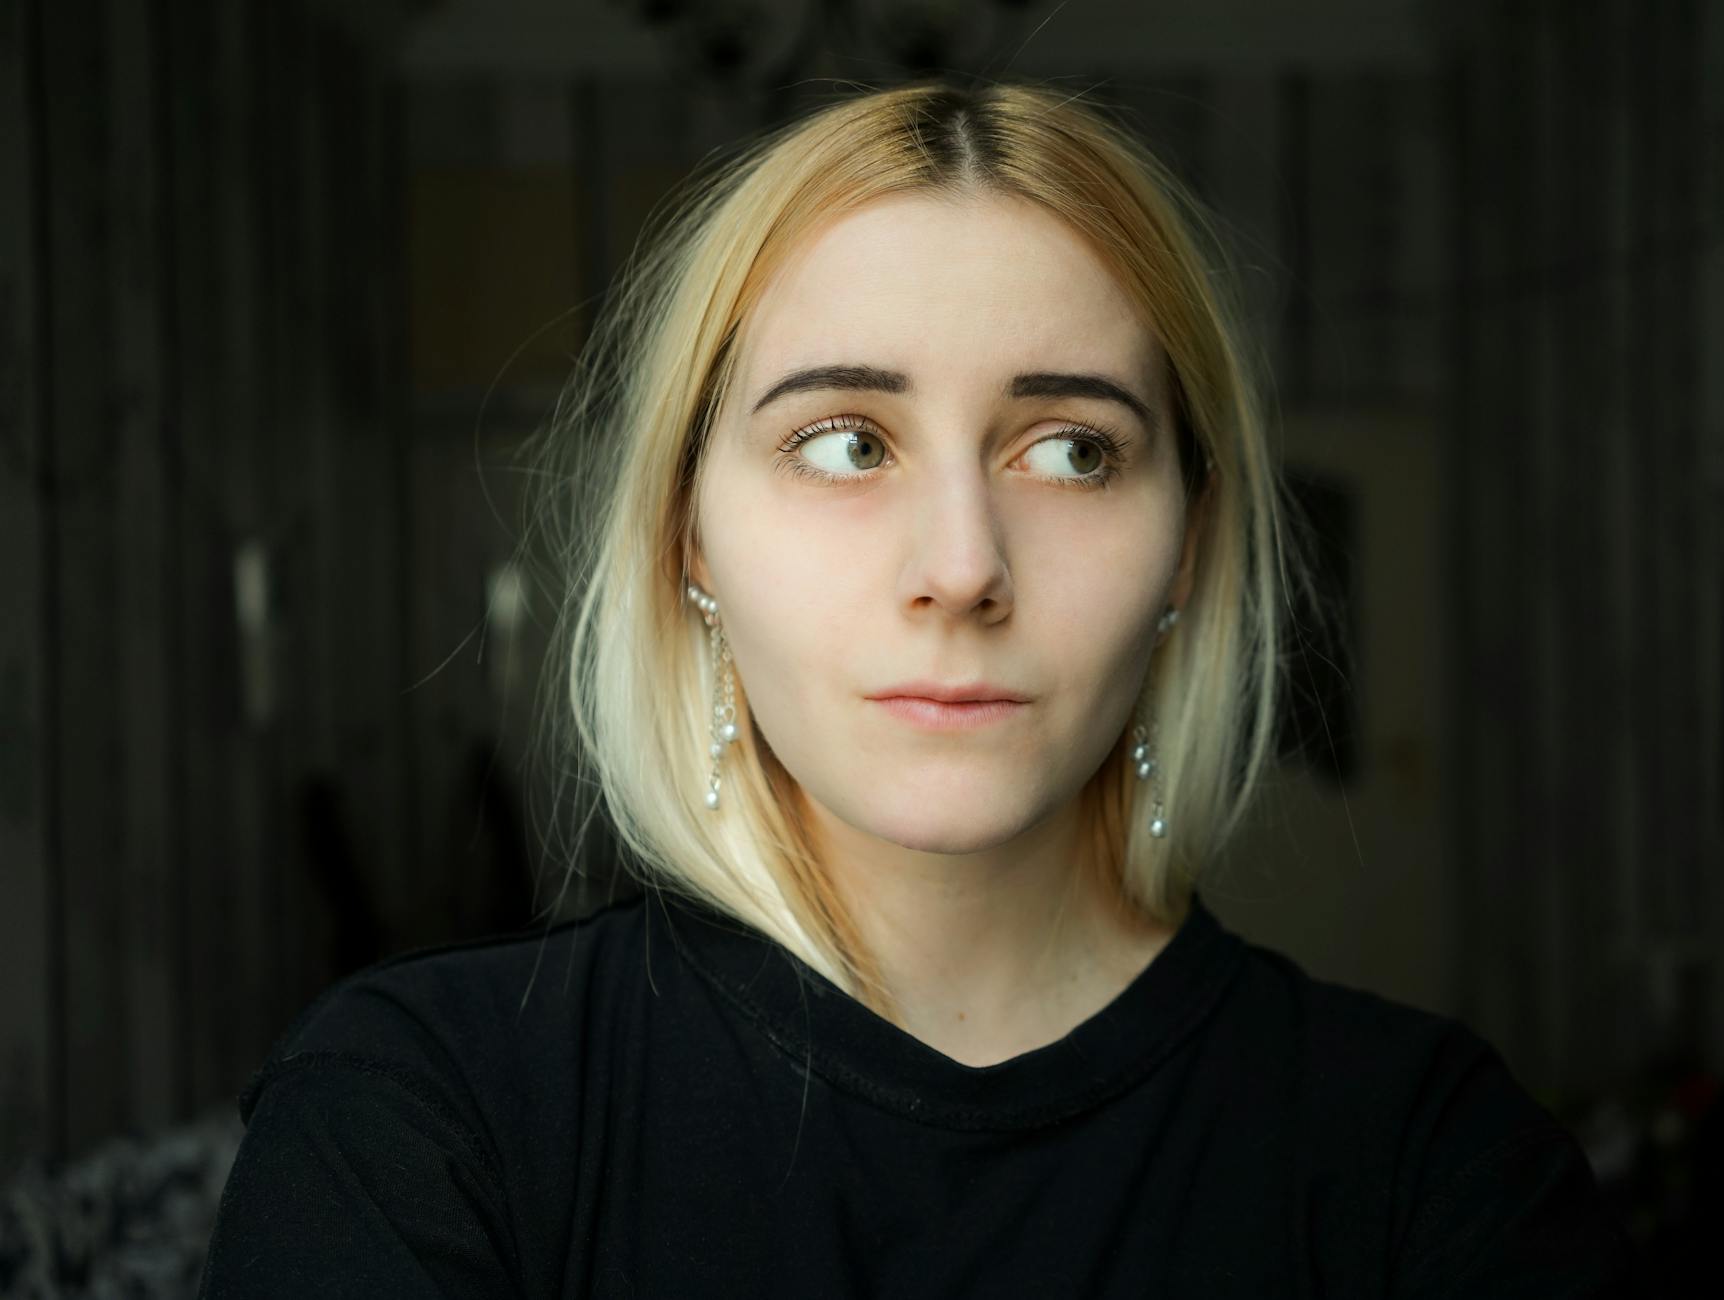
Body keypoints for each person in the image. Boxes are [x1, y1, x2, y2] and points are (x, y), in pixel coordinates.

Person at [197, 76, 1647, 1297]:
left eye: (1072, 449)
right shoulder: (420, 1116)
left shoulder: (1431, 1164)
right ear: (688, 536)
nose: (961, 568)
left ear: (1191, 546)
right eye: (845, 442)